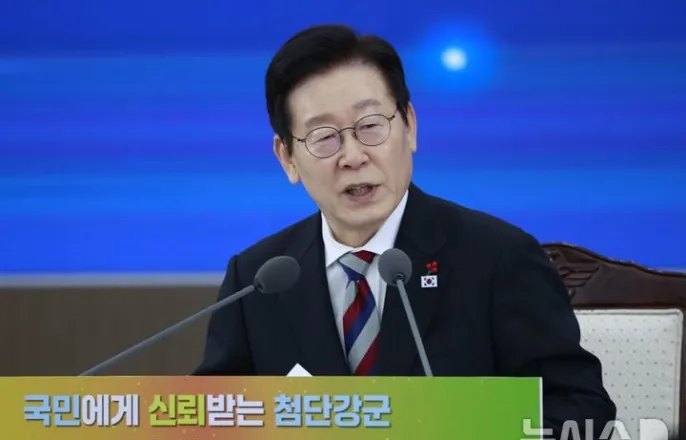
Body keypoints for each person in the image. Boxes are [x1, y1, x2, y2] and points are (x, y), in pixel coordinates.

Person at [194, 24, 616, 437]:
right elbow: (210, 420)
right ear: (287, 157)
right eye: (324, 137)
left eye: (370, 126)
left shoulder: (498, 258)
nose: (353, 156)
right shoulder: (257, 279)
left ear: (409, 126)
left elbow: (581, 412)